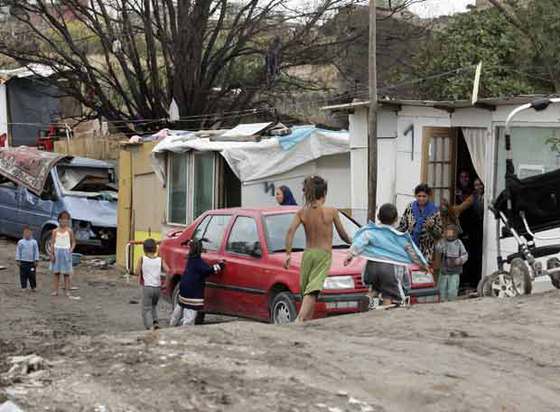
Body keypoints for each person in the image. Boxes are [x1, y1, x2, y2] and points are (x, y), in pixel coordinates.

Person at [285, 176, 352, 322]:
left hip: (308, 254)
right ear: (323, 194)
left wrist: (288, 254)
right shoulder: (332, 211)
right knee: (313, 289)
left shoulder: (302, 212)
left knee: (306, 289)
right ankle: (300, 319)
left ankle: (306, 321)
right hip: (323, 255)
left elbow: (290, 231)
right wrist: (353, 244)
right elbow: (343, 235)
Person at [344, 204, 428, 308]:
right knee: (389, 293)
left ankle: (369, 301)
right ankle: (384, 312)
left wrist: (350, 255)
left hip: (372, 267)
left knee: (375, 288)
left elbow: (360, 243)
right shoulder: (399, 237)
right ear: (396, 219)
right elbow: (413, 253)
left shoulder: (371, 231)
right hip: (389, 269)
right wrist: (423, 265)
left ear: (378, 217)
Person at [169, 239, 224, 327]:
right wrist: (220, 266)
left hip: (183, 289)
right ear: (200, 250)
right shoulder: (199, 263)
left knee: (179, 308)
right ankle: (185, 331)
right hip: (193, 294)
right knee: (189, 316)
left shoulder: (190, 259)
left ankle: (171, 325)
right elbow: (209, 270)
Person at [398, 184, 442, 263]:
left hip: (427, 251)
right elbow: (403, 226)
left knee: (423, 273)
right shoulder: (410, 208)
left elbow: (439, 234)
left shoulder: (435, 211)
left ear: (429, 196)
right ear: (415, 196)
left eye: (424, 196)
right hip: (410, 249)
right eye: (419, 196)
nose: (421, 198)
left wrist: (432, 227)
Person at [136, 238, 169, 330]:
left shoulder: (142, 259)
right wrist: (166, 283)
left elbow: (136, 272)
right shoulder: (160, 260)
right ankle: (155, 322)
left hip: (147, 287)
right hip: (157, 288)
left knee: (146, 308)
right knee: (153, 306)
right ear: (155, 249)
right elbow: (168, 270)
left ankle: (150, 327)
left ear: (144, 249)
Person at [435, 224, 468, 301]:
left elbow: (465, 255)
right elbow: (438, 248)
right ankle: (441, 304)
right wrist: (439, 242)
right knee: (441, 290)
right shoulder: (443, 242)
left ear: (455, 233)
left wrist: (459, 260)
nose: (449, 234)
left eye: (451, 232)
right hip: (444, 271)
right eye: (447, 232)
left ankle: (452, 304)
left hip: (455, 272)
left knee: (452, 290)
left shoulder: (459, 243)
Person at [50, 211, 76, 297]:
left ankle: (67, 290)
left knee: (66, 273)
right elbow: (52, 243)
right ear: (59, 220)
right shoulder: (55, 231)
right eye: (62, 220)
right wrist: (52, 254)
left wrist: (70, 250)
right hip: (57, 253)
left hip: (66, 253)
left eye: (66, 220)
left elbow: (73, 242)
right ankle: (55, 290)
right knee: (56, 273)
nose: (64, 222)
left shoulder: (69, 231)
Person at [16, 226, 40, 292]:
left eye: (28, 233)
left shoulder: (34, 242)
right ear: (23, 234)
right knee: (23, 275)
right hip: (23, 262)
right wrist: (18, 260)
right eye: (25, 233)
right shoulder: (21, 242)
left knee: (32, 275)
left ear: (31, 233)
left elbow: (36, 252)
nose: (27, 234)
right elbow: (18, 251)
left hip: (31, 263)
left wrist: (36, 260)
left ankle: (33, 287)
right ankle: (24, 287)